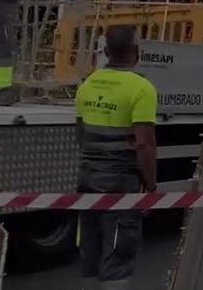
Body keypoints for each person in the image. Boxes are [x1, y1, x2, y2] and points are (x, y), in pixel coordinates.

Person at [75, 26, 157, 290]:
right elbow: (144, 143)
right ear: (136, 51)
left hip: (88, 175)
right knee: (119, 250)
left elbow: (81, 134)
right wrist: (151, 183)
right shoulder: (142, 88)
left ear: (106, 51)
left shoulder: (87, 84)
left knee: (91, 244)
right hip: (120, 181)